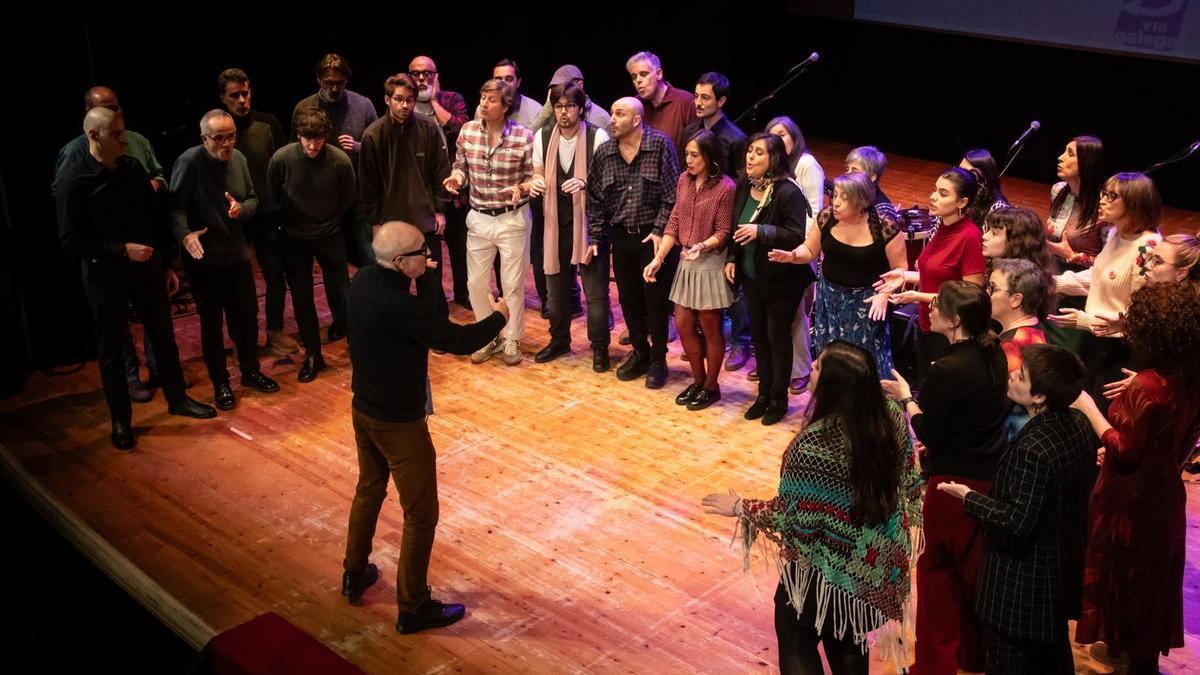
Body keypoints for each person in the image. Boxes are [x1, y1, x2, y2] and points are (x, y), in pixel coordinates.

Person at [702, 340, 922, 674]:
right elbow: (909, 480)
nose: (811, 369)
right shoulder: (890, 415)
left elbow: (789, 516)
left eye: (818, 366)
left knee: (795, 629)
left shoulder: (815, 444)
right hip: (875, 568)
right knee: (848, 636)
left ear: (835, 385)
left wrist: (741, 507)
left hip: (824, 573)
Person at [342, 221, 509, 633]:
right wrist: (499, 318)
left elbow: (426, 323)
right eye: (422, 252)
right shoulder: (402, 308)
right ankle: (413, 606)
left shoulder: (362, 282)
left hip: (363, 409)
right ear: (400, 261)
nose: (429, 255)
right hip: (398, 423)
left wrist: (425, 277)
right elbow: (456, 340)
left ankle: (353, 574)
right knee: (421, 515)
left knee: (369, 490)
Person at [56, 107, 216, 449]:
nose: (124, 139)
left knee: (163, 336)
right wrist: (120, 250)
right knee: (112, 349)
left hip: (145, 268)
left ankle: (178, 399)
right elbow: (70, 242)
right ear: (94, 135)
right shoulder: (75, 180)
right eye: (116, 134)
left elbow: (153, 218)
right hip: (104, 274)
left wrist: (167, 265)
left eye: (123, 131)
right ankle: (120, 421)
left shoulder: (131, 168)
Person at [937, 344, 1096, 674]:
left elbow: (1017, 520)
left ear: (1039, 396)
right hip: (1055, 580)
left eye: (1021, 375)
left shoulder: (1033, 450)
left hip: (1019, 589)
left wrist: (969, 497)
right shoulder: (1079, 424)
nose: (1012, 375)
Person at [1071, 282, 1200, 674]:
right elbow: (1177, 441)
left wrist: (1089, 409)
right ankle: (1138, 655)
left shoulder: (1146, 384)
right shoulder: (1189, 378)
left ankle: (1130, 656)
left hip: (1132, 495)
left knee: (1127, 574)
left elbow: (1127, 449)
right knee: (1151, 577)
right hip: (1164, 490)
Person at [880, 281, 1008, 675]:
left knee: (938, 574)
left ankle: (934, 667)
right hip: (990, 477)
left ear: (954, 321)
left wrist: (906, 398)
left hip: (952, 483)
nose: (930, 308)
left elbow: (930, 433)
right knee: (971, 572)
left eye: (937, 305)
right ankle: (973, 656)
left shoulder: (947, 370)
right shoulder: (995, 353)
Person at [54, 86, 168, 401]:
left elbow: (157, 183)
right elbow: (69, 223)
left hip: (141, 255)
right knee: (115, 333)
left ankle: (163, 373)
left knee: (157, 323)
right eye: (107, 109)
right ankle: (129, 381)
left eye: (116, 107)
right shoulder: (74, 160)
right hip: (105, 263)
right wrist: (118, 248)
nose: (116, 117)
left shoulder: (134, 151)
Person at [169, 110, 280, 410]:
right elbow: (174, 207)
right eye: (219, 138)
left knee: (246, 317)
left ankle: (250, 371)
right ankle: (220, 381)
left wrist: (241, 210)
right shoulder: (189, 162)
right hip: (205, 259)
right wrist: (184, 235)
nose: (227, 143)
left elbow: (254, 198)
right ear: (204, 138)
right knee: (212, 323)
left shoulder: (239, 159)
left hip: (236, 253)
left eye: (231, 136)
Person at [768, 171, 906, 380]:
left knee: (862, 361)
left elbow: (900, 270)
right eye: (835, 195)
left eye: (844, 197)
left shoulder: (884, 227)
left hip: (865, 304)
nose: (836, 202)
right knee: (830, 355)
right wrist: (794, 255)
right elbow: (810, 250)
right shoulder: (827, 218)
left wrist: (884, 295)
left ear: (861, 201)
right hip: (830, 299)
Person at [1048, 172, 1162, 415]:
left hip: (1119, 350)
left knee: (1096, 412)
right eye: (1104, 193)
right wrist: (1052, 283)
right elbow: (1097, 277)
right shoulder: (1117, 233)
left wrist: (1086, 321)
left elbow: (1141, 313)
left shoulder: (1147, 247)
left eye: (1112, 196)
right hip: (1096, 339)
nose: (1103, 200)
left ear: (1134, 203)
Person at [587, 97, 680, 388]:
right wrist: (595, 236)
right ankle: (641, 352)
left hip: (653, 237)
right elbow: (595, 199)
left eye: (619, 114)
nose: (612, 119)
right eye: (611, 113)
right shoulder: (605, 152)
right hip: (621, 235)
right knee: (627, 298)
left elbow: (671, 196)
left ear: (637, 120)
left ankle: (658, 359)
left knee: (655, 301)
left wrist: (659, 230)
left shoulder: (661, 145)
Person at [442, 79, 535, 367]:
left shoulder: (523, 137)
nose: (483, 103)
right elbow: (460, 166)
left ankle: (511, 337)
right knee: (476, 283)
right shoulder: (468, 131)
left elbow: (535, 176)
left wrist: (522, 188)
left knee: (512, 284)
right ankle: (487, 335)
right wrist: (456, 179)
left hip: (511, 218)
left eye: (491, 99)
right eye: (482, 97)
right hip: (479, 216)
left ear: (506, 106)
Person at [643, 129, 735, 410]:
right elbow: (674, 221)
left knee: (710, 327)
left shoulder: (725, 187)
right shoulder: (684, 180)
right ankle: (698, 380)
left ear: (709, 156)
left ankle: (711, 386)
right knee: (683, 324)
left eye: (695, 155)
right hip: (687, 260)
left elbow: (724, 231)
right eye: (687, 154)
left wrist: (702, 246)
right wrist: (659, 258)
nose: (689, 160)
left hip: (709, 262)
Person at [725, 133, 811, 425]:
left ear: (774, 159)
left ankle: (778, 399)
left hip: (781, 280)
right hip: (752, 276)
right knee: (759, 337)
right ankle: (763, 395)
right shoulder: (744, 185)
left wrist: (761, 232)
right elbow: (735, 228)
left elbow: (796, 235)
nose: (750, 156)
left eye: (759, 152)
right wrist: (732, 258)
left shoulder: (788, 192)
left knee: (777, 338)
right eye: (750, 150)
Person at [267, 107, 356, 382]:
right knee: (302, 298)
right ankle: (313, 354)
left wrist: (329, 222)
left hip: (329, 235)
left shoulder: (340, 161)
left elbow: (348, 199)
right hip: (295, 239)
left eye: (318, 139)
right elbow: (273, 197)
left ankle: (358, 346)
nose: (313, 145)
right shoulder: (282, 159)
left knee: (344, 293)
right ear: (298, 135)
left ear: (326, 137)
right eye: (308, 139)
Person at [876, 167, 986, 382]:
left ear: (962, 202)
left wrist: (917, 297)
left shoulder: (970, 237)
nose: (933, 197)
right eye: (935, 190)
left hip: (948, 332)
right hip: (927, 323)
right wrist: (905, 276)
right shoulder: (943, 225)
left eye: (943, 194)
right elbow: (940, 277)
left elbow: (970, 297)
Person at [528, 83, 611, 368]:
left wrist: (585, 182)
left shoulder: (597, 136)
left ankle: (599, 347)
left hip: (589, 225)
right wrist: (537, 182)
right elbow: (537, 172)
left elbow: (607, 179)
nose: (564, 112)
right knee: (556, 290)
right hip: (555, 222)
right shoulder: (543, 136)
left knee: (595, 292)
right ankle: (559, 340)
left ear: (581, 108)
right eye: (559, 107)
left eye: (570, 106)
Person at [218, 68, 297, 354]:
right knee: (236, 284)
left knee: (275, 275)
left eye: (245, 93)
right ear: (223, 98)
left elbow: (285, 165)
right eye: (234, 95)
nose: (242, 100)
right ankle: (242, 339)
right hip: (233, 219)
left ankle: (275, 331)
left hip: (266, 215)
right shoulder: (217, 129)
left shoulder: (268, 123)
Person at [359, 73, 451, 315]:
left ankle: (436, 328)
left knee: (431, 282)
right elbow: (368, 185)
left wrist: (440, 210)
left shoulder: (428, 128)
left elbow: (441, 171)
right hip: (391, 224)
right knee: (394, 285)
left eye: (409, 100)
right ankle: (398, 330)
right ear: (387, 99)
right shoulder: (373, 135)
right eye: (399, 99)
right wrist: (375, 222)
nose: (404, 105)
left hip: (425, 220)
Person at [409, 55, 472, 309]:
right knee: (428, 250)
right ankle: (433, 303)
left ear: (436, 76)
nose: (421, 78)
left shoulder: (452, 99)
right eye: (416, 74)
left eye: (427, 73)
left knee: (460, 246)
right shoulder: (405, 104)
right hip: (422, 193)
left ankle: (463, 294)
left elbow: (461, 130)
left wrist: (434, 102)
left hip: (454, 189)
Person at [767, 116, 825, 392]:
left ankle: (800, 368)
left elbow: (815, 211)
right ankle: (776, 365)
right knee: (775, 309)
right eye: (772, 135)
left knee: (796, 310)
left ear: (794, 137)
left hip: (800, 247)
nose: (777, 140)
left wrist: (803, 249)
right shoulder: (772, 167)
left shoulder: (806, 164)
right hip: (776, 244)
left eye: (782, 135)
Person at [1043, 136, 1105, 353]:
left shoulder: (1104, 205)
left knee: (1063, 352)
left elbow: (1109, 265)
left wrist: (1074, 256)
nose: (1060, 158)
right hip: (1052, 276)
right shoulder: (1058, 190)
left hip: (1081, 286)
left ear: (1087, 163)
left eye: (1070, 154)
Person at [291, 54, 378, 166]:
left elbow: (379, 146)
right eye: (329, 83)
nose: (334, 89)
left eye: (340, 83)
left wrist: (358, 147)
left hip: (352, 174)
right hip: (313, 173)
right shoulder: (304, 107)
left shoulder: (364, 105)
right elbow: (293, 147)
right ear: (319, 80)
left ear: (346, 81)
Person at [626, 51, 698, 160]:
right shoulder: (634, 105)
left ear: (659, 74)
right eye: (634, 77)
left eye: (643, 74)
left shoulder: (685, 101)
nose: (638, 80)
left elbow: (699, 147)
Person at [981, 206, 1057, 286]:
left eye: (994, 233)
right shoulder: (996, 267)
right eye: (988, 230)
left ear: (1016, 242)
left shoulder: (1022, 283)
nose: (984, 236)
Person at [528, 64, 611, 133]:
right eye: (555, 88)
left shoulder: (601, 117)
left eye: (565, 87)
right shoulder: (551, 113)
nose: (560, 92)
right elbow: (531, 136)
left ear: (580, 85)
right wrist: (548, 105)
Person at [959, 148, 1010, 227]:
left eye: (967, 172)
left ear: (984, 177)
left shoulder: (998, 209)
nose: (959, 176)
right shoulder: (961, 195)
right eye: (959, 170)